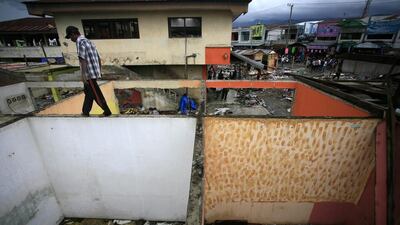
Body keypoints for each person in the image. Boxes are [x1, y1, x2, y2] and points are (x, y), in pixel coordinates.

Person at [65, 26, 111, 117]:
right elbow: (97, 57)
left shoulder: (79, 42)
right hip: (94, 71)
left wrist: (83, 75)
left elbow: (83, 59)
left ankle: (107, 111)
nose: (71, 40)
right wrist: (99, 70)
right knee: (88, 92)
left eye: (70, 37)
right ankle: (85, 111)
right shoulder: (88, 41)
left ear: (73, 34)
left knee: (96, 93)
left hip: (89, 73)